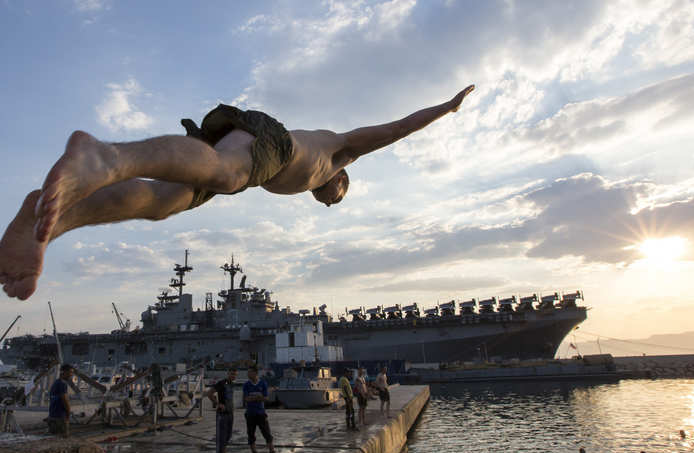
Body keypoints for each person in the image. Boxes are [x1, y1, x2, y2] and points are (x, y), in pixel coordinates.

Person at [0, 86, 475, 301]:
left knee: (164, 203)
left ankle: (52, 219)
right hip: (270, 142)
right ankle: (105, 158)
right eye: (336, 200)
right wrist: (445, 109)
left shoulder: (309, 178)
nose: (328, 202)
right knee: (227, 175)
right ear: (343, 182)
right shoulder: (342, 153)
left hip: (243, 158)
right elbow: (396, 129)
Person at [242, 365, 284, 453]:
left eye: (250, 372)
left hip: (261, 413)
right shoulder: (246, 385)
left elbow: (266, 398)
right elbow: (246, 399)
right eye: (247, 372)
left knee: (268, 435)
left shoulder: (263, 384)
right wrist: (258, 397)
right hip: (250, 414)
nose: (248, 374)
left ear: (255, 373)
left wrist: (255, 398)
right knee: (251, 436)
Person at [207, 368, 237, 453]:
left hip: (230, 414)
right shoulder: (221, 383)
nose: (233, 376)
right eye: (232, 374)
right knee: (220, 439)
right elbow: (209, 393)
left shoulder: (232, 384)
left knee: (227, 438)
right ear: (228, 373)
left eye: (234, 375)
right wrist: (218, 404)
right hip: (222, 415)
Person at [48, 363, 73, 437]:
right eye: (70, 372)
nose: (71, 375)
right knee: (63, 438)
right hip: (60, 416)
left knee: (53, 439)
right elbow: (64, 400)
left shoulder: (56, 382)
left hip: (52, 414)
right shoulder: (62, 384)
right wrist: (68, 412)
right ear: (63, 372)